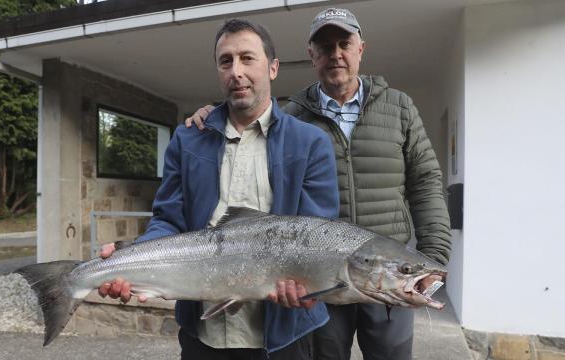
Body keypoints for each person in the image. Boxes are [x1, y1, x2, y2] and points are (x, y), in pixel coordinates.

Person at [185, 8, 452, 360]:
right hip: (318, 276)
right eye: (325, 47)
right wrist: (210, 115)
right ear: (312, 56)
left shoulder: (399, 107)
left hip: (387, 269)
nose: (336, 54)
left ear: (361, 48)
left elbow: (426, 182)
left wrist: (428, 259)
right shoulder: (292, 116)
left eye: (344, 43)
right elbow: (247, 125)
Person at [98, 19, 340, 359]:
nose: (236, 71)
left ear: (272, 68)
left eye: (247, 58)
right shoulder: (187, 139)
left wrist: (311, 285)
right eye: (226, 61)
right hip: (204, 337)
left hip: (284, 337)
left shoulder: (311, 143)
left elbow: (318, 238)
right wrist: (129, 259)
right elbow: (168, 220)